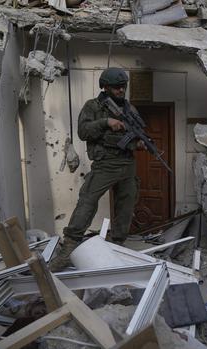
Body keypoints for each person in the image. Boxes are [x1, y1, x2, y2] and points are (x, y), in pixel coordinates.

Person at [50, 67, 142, 271]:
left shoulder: (130, 110)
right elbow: (83, 132)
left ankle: (117, 244)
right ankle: (69, 248)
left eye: (123, 86)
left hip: (127, 163)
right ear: (105, 87)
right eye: (116, 87)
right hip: (105, 164)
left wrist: (139, 142)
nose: (121, 90)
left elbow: (135, 137)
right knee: (87, 202)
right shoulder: (93, 107)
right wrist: (105, 122)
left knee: (126, 206)